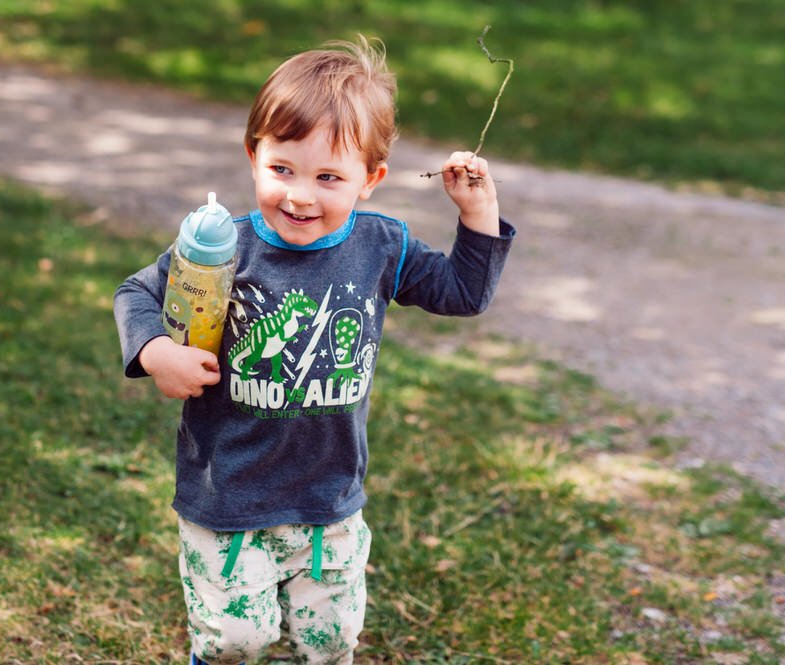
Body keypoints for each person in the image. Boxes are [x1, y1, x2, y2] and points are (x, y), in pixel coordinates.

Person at [113, 36, 515, 665]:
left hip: (329, 500)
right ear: (254, 156)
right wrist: (158, 351)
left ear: (370, 179)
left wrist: (478, 214)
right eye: (283, 169)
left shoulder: (382, 247)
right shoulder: (223, 246)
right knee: (235, 641)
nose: (300, 195)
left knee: (331, 640)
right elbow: (137, 292)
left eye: (328, 177)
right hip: (227, 493)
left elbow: (463, 293)